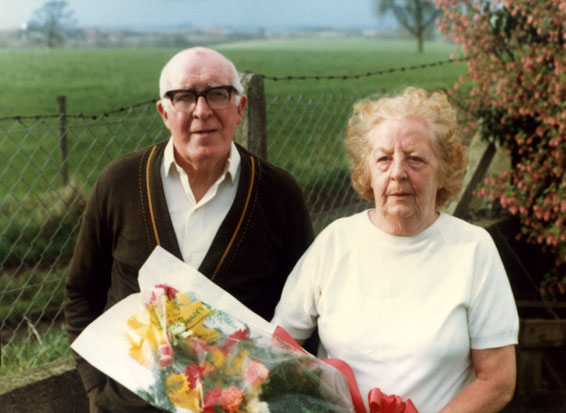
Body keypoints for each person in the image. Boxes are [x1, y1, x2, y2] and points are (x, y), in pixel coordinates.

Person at [64, 47, 314, 413]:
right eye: (184, 97)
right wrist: (97, 390)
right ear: (164, 112)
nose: (202, 111)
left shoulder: (278, 193)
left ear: (239, 107)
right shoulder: (118, 184)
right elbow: (81, 294)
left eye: (218, 93)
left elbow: (305, 308)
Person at [272, 87, 519, 413]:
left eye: (415, 159)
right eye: (384, 158)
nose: (398, 172)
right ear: (367, 172)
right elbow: (276, 349)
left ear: (443, 170)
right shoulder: (335, 242)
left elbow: (498, 381)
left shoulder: (472, 248)